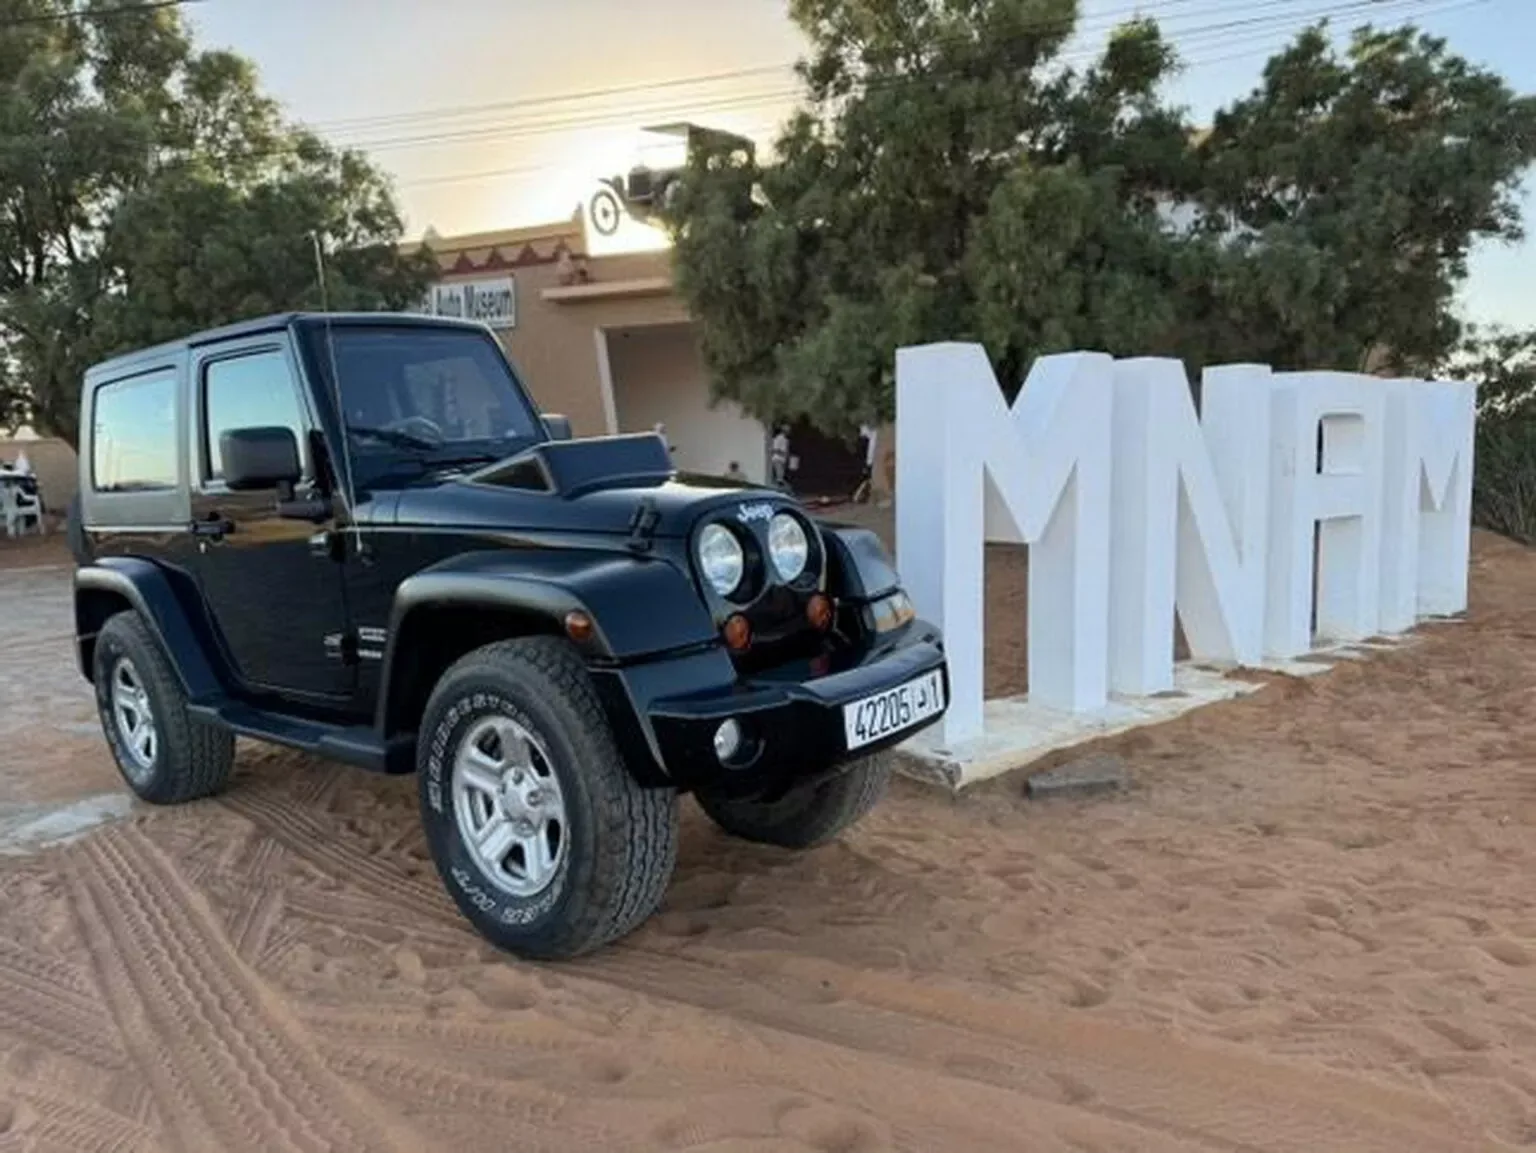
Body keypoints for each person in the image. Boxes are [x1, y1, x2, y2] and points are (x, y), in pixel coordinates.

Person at [769, 424, 790, 489]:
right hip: (778, 459)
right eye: (788, 431)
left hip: (782, 459)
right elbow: (775, 449)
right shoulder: (779, 438)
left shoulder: (785, 439)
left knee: (781, 475)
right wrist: (783, 453)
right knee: (779, 476)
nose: (789, 432)